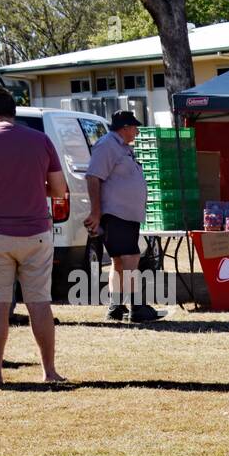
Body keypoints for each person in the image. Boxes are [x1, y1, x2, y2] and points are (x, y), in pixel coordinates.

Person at [0, 86, 68, 386]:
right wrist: (32, 187)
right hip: (36, 234)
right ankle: (50, 371)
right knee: (40, 303)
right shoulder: (41, 140)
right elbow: (58, 189)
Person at [84, 110, 159, 324]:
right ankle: (137, 306)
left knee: (119, 261)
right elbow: (93, 177)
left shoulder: (122, 147)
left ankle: (116, 306)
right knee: (130, 258)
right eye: (134, 127)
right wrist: (96, 212)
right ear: (124, 128)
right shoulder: (107, 145)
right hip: (116, 214)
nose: (136, 131)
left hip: (125, 215)